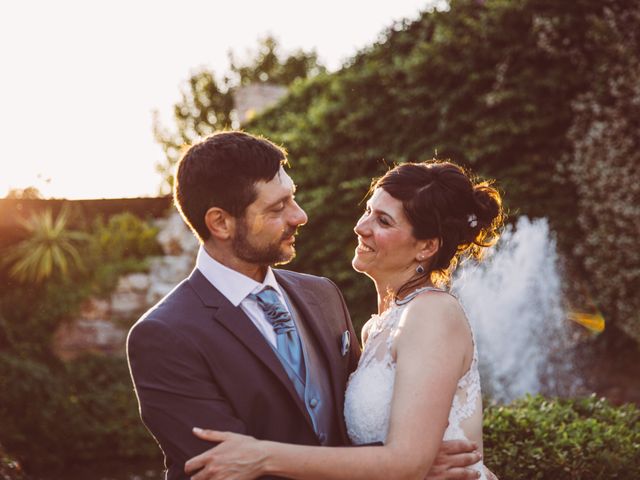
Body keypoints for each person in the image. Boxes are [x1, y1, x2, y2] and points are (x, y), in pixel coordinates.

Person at [127, 131, 485, 480]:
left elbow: (347, 429)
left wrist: (406, 463)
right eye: (278, 207)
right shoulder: (165, 335)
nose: (300, 216)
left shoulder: (322, 296)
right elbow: (227, 469)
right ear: (220, 222)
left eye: (292, 198)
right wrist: (403, 467)